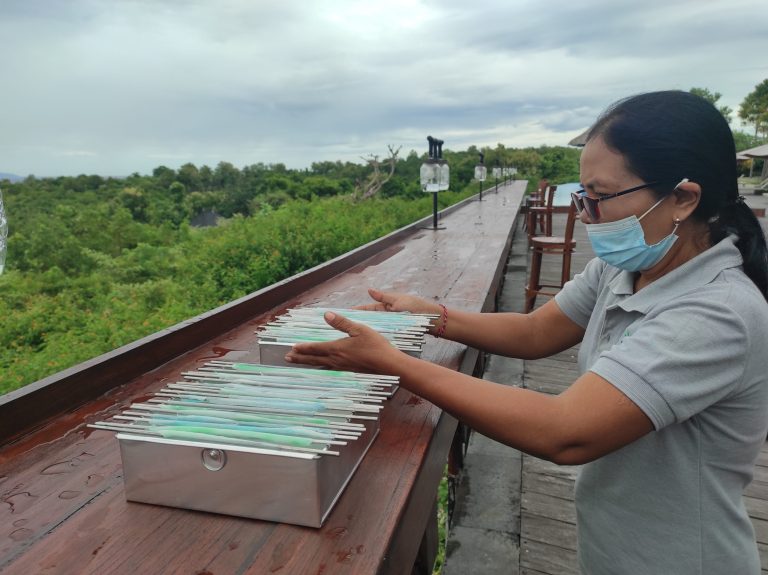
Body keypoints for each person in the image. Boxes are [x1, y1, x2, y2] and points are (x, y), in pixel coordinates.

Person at [285, 90, 768, 574]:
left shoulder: (717, 311)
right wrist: (433, 315)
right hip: (614, 548)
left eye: (598, 198)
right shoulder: (626, 269)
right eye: (583, 197)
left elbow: (565, 432)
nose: (585, 215)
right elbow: (536, 331)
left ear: (683, 197)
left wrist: (392, 362)